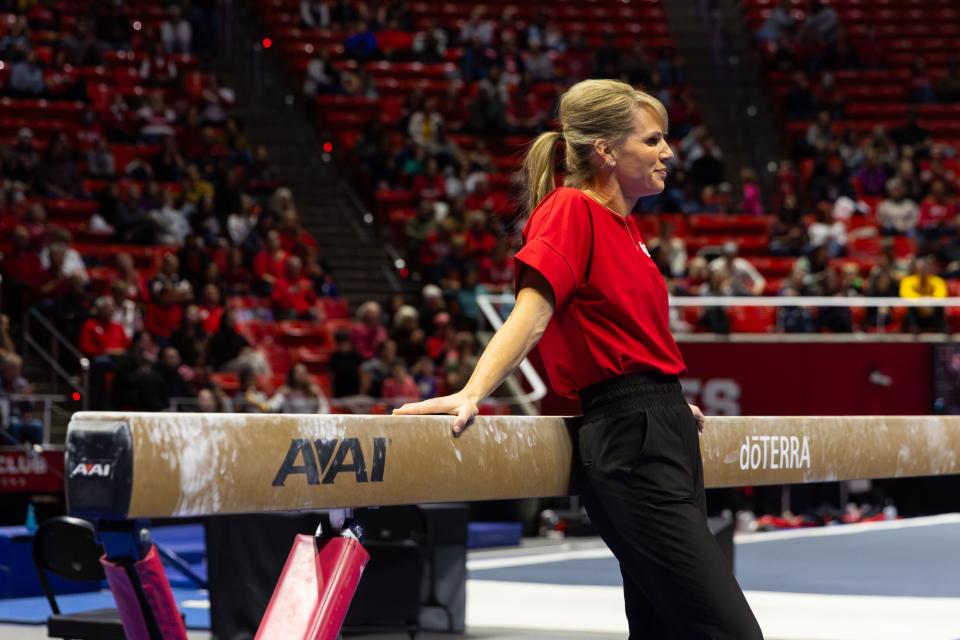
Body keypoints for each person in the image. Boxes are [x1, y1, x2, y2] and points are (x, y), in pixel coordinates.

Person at [394, 79, 762, 638]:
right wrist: (473, 390)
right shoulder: (570, 209)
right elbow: (533, 312)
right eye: (654, 139)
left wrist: (661, 395)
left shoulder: (629, 229)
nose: (669, 153)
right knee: (729, 631)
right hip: (627, 438)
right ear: (607, 152)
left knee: (664, 627)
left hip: (660, 426)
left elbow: (622, 331)